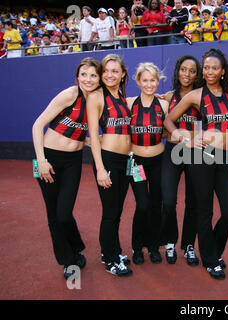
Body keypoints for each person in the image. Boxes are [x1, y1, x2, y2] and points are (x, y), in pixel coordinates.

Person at [164, 48, 228, 280]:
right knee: (204, 210)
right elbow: (168, 119)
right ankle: (210, 259)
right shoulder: (195, 95)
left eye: (214, 68)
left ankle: (213, 249)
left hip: (226, 159)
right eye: (206, 68)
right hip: (202, 157)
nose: (209, 72)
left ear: (223, 70)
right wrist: (184, 137)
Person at [32, 57, 102, 280]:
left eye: (93, 75)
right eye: (84, 74)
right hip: (47, 159)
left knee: (64, 213)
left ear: (99, 78)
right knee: (54, 215)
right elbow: (37, 125)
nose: (88, 79)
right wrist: (41, 161)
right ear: (77, 76)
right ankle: (69, 259)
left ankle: (76, 245)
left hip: (73, 161)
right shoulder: (70, 95)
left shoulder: (97, 99)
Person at [86, 54, 133, 277]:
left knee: (117, 210)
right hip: (108, 159)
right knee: (110, 211)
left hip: (124, 161)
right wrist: (100, 168)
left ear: (123, 74)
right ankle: (110, 259)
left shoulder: (122, 97)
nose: (110, 75)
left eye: (115, 71)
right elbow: (94, 136)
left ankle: (112, 250)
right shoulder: (96, 97)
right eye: (106, 70)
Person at [159, 55, 203, 265]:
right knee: (168, 201)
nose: (187, 74)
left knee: (193, 202)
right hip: (173, 151)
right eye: (183, 69)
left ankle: (188, 245)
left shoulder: (202, 96)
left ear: (198, 74)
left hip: (195, 152)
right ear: (178, 71)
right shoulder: (169, 97)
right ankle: (169, 241)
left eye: (192, 71)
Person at [126, 63, 169, 265]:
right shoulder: (129, 104)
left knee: (156, 205)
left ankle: (153, 246)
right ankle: (137, 247)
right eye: (145, 80)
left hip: (158, 162)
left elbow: (169, 130)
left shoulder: (164, 105)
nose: (149, 84)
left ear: (158, 81)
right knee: (142, 204)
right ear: (138, 81)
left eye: (153, 80)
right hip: (136, 163)